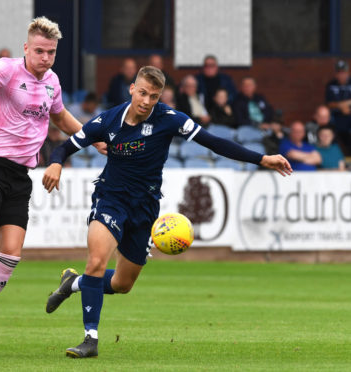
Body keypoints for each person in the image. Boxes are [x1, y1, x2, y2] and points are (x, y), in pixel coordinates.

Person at [42, 66, 292, 358]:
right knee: (97, 260)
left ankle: (74, 283)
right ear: (132, 89)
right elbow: (64, 148)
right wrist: (56, 163)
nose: (147, 101)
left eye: (155, 96)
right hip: (111, 198)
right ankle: (90, 339)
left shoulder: (170, 119)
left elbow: (213, 142)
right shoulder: (107, 121)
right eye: (143, 93)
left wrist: (262, 158)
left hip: (145, 207)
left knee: (122, 284)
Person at [0, 16, 105, 351]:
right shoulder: (7, 70)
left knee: (11, 253)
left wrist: (91, 137)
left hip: (20, 173)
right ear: (26, 48)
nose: (45, 58)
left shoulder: (53, 82)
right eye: (39, 51)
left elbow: (59, 116)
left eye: (51, 52)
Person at [325, 60, 351, 155]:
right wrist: (343, 105)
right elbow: (329, 104)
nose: (341, 75)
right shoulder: (331, 84)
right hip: (336, 117)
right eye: (339, 72)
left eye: (343, 72)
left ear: (348, 72)